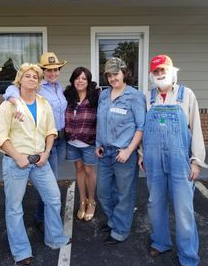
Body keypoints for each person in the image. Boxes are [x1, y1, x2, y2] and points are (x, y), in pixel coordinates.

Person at [0, 63, 69, 266]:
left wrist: (46, 152)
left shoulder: (44, 103)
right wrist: (18, 157)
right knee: (15, 207)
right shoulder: (8, 105)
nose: (32, 79)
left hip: (40, 160)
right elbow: (0, 138)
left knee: (53, 198)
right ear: (20, 79)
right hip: (16, 162)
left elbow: (51, 130)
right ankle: (21, 251)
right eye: (28, 76)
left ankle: (55, 238)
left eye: (35, 77)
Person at [139, 55, 207, 266]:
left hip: (180, 160)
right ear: (152, 75)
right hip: (153, 159)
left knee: (184, 208)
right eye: (156, 72)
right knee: (155, 203)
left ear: (172, 71)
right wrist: (142, 154)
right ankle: (161, 242)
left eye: (163, 70)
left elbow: (196, 129)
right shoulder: (147, 97)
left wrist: (196, 161)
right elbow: (142, 128)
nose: (160, 75)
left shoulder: (186, 95)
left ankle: (188, 255)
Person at [3, 52, 67, 230]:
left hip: (59, 138)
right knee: (49, 183)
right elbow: (12, 89)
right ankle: (41, 218)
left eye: (56, 69)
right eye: (48, 70)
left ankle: (47, 218)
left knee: (52, 181)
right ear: (43, 71)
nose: (52, 73)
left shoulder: (58, 87)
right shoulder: (38, 85)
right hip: (42, 140)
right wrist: (17, 102)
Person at [96, 57, 146, 245]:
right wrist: (98, 144)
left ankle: (120, 230)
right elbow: (101, 122)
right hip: (105, 152)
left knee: (124, 193)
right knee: (103, 192)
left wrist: (128, 150)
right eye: (108, 75)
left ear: (125, 73)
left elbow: (141, 127)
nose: (112, 78)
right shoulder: (103, 95)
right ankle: (114, 220)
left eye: (115, 74)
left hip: (123, 153)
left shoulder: (135, 96)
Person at [64, 67, 100, 221]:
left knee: (89, 171)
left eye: (84, 78)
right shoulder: (67, 96)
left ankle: (91, 201)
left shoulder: (96, 96)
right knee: (79, 169)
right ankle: (82, 200)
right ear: (73, 80)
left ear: (88, 81)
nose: (80, 81)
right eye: (77, 78)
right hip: (72, 142)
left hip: (89, 142)